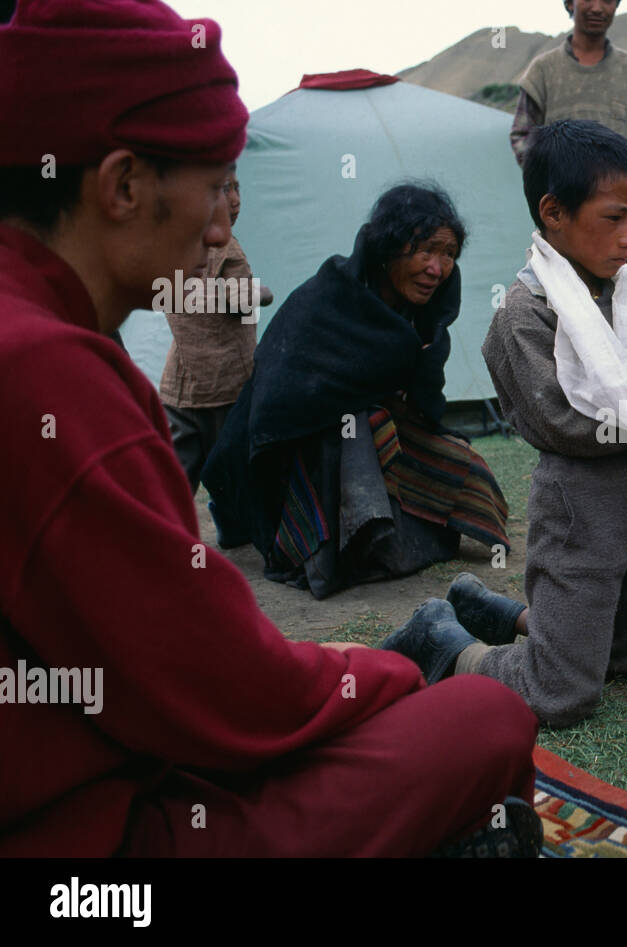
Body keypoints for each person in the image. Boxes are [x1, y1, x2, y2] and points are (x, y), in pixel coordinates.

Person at [0, 0, 538, 857]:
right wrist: (391, 672)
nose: (222, 226)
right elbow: (223, 693)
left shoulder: (43, 345)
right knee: (486, 715)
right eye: (215, 190)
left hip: (112, 746)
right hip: (92, 845)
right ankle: (422, 647)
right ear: (122, 185)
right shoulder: (50, 379)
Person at [403, 120, 627, 728]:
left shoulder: (624, 294)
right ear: (554, 212)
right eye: (614, 218)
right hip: (585, 509)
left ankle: (506, 615)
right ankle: (444, 640)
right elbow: (568, 423)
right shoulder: (523, 317)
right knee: (560, 694)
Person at [202, 183, 511, 600]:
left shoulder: (426, 314)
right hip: (293, 446)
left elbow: (426, 405)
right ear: (388, 249)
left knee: (467, 471)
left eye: (449, 254)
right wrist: (360, 404)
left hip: (373, 428)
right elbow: (279, 400)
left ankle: (386, 524)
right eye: (426, 250)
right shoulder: (327, 299)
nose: (437, 268)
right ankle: (341, 544)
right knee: (361, 427)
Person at [159, 166, 273, 493]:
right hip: (218, 386)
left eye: (237, 188)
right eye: (224, 189)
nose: (235, 200)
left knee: (186, 474)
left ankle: (196, 526)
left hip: (194, 386)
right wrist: (261, 293)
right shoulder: (221, 248)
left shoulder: (176, 243)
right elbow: (237, 299)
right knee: (230, 470)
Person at [510, 0, 627, 166]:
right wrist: (551, 171)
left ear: (616, 5)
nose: (597, 8)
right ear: (570, 3)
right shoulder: (543, 69)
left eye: (607, 0)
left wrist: (624, 167)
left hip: (617, 189)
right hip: (559, 189)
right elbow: (522, 137)